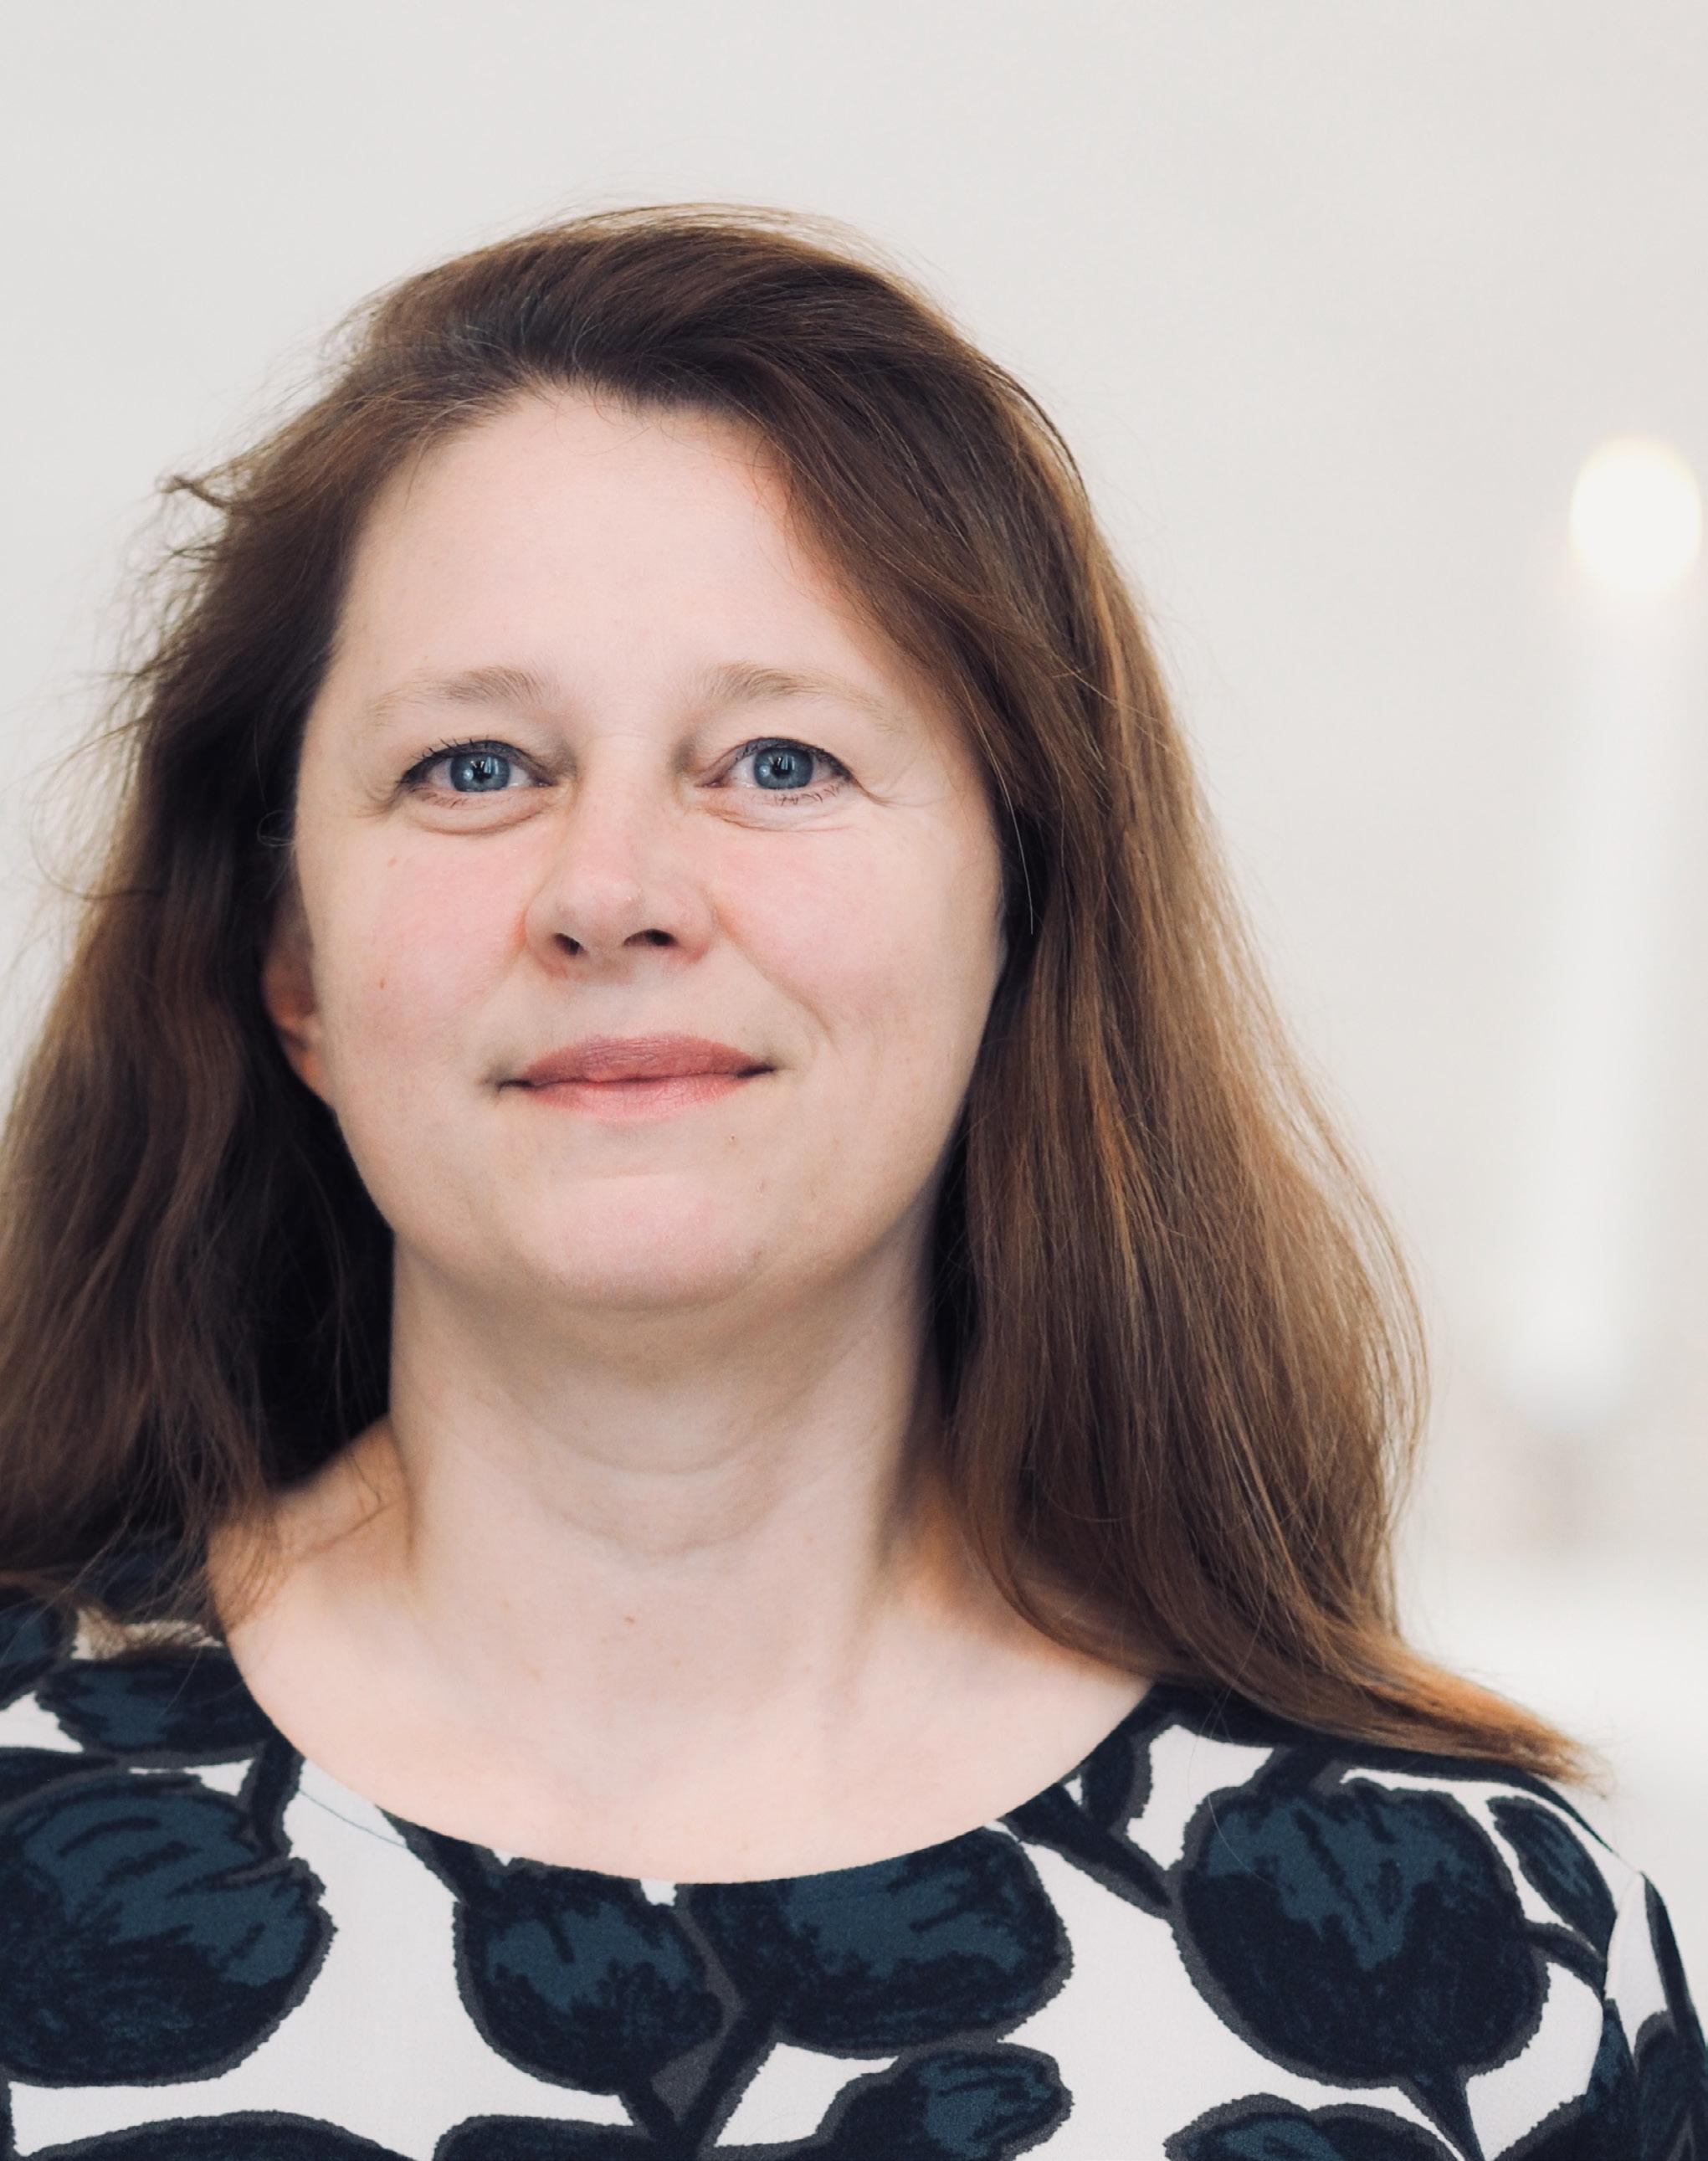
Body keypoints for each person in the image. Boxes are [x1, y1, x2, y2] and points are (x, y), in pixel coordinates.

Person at [0, 204, 1700, 2160]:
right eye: (473, 767)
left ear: (1019, 905)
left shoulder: (1482, 1961)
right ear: (291, 958)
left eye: (779, 761)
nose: (611, 891)